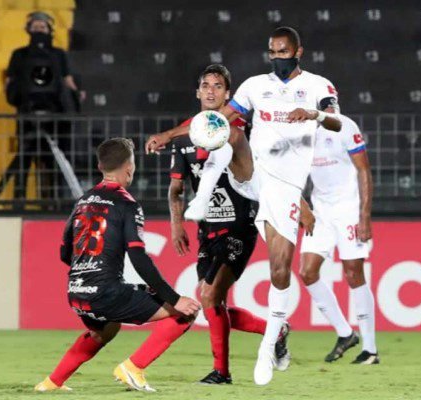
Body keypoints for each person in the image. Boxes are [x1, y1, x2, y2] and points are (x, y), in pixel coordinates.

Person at [146, 26, 341, 385]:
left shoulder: (318, 86)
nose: (277, 58)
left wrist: (312, 115)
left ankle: (270, 339)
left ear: (298, 52)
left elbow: (337, 121)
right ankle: (202, 198)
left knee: (279, 272)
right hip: (248, 178)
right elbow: (211, 127)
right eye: (272, 52)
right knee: (228, 132)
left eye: (283, 52)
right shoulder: (255, 87)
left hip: (276, 191)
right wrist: (168, 135)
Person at [34, 138, 200, 393]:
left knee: (105, 331)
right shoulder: (127, 204)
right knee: (186, 312)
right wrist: (174, 298)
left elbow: (65, 252)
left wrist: (87, 271)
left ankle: (51, 383)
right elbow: (139, 258)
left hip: (76, 292)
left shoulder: (83, 201)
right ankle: (133, 367)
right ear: (129, 168)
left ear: (100, 165)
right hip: (106, 292)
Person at [168, 64, 290, 384]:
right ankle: (274, 330)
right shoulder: (185, 139)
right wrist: (177, 224)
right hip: (206, 228)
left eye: (217, 86)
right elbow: (176, 188)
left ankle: (221, 372)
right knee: (213, 302)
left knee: (209, 298)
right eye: (205, 85)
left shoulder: (240, 129)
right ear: (197, 92)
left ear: (228, 94)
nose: (210, 90)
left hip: (239, 224)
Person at [299, 108, 379, 364]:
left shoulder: (345, 126)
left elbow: (364, 170)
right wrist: (304, 208)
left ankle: (370, 349)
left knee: (354, 273)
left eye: (331, 104)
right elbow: (291, 175)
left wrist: (364, 217)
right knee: (307, 272)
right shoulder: (303, 134)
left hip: (348, 210)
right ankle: (345, 333)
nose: (329, 109)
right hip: (320, 211)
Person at [4, 11, 84, 203]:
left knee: (54, 163)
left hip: (55, 116)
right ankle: (19, 203)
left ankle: (55, 203)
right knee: (24, 161)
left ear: (50, 30)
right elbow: (10, 82)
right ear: (28, 30)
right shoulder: (19, 54)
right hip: (27, 114)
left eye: (42, 27)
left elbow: (67, 80)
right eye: (35, 26)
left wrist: (76, 96)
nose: (39, 29)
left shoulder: (58, 54)